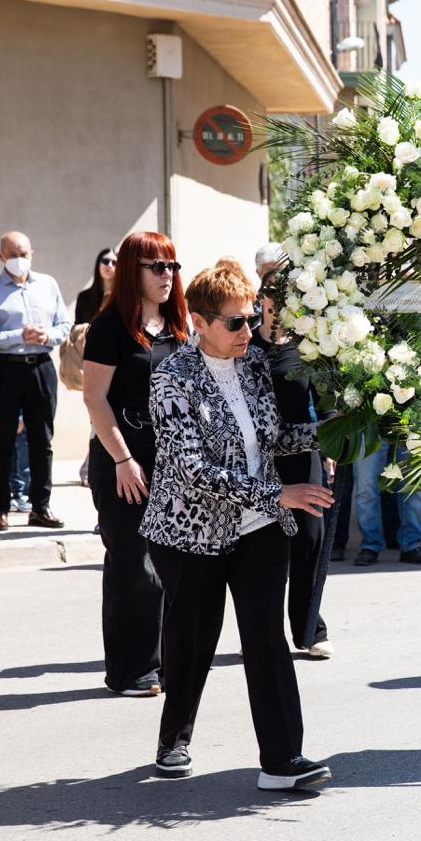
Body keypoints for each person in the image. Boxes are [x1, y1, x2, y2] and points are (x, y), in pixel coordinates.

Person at [140, 265, 334, 788]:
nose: (248, 331)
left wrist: (332, 432)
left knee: (267, 641)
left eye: (250, 319)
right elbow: (194, 469)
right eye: (234, 323)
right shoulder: (170, 377)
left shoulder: (252, 367)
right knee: (192, 640)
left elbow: (273, 440)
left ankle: (281, 761)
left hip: (260, 529)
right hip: (191, 534)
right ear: (198, 322)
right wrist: (280, 493)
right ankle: (174, 739)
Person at [82, 233, 189, 697]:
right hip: (122, 464)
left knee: (171, 569)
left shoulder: (179, 325)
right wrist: (122, 459)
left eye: (172, 267)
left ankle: (165, 663)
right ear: (132, 271)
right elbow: (94, 398)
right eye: (156, 267)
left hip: (173, 466)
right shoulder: (109, 328)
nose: (167, 276)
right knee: (133, 567)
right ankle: (131, 671)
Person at [254, 269, 333, 658]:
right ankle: (263, 631)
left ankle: (309, 629)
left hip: (305, 456)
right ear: (262, 303)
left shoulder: (307, 346)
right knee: (266, 546)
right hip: (259, 461)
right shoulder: (245, 345)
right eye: (273, 303)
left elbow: (328, 400)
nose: (279, 311)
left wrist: (332, 445)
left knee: (310, 540)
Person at [0, 232, 71, 531]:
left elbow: (64, 323)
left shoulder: (48, 285)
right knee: (2, 441)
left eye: (23, 252)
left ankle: (41, 507)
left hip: (41, 368)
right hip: (5, 369)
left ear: (32, 253)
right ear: (1, 257)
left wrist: (48, 335)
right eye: (12, 253)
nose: (18, 258)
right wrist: (18, 336)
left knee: (42, 440)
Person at [73, 247, 118, 489]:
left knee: (100, 419)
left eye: (114, 261)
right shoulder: (85, 297)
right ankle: (91, 467)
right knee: (95, 416)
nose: (109, 265)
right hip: (91, 362)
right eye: (105, 260)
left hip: (116, 366)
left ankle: (90, 466)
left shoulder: (121, 297)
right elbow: (77, 330)